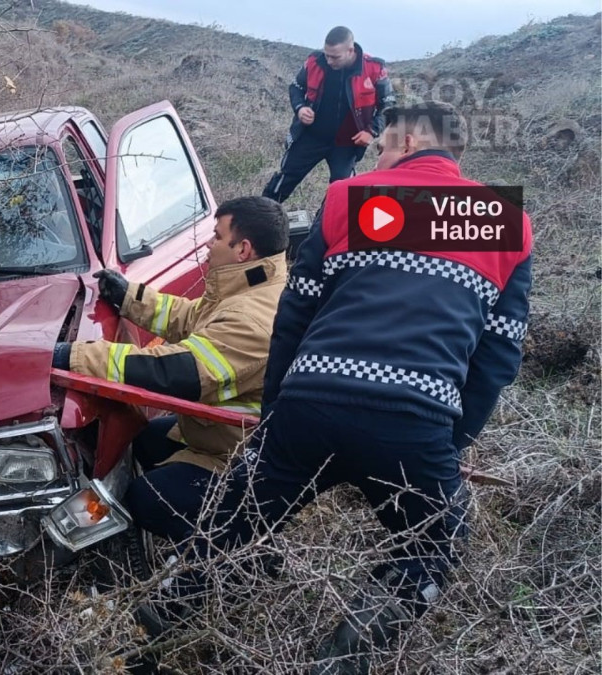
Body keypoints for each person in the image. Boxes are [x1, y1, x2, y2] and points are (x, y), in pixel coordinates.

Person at [180, 102, 531, 674]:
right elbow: (500, 352)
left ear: (412, 143)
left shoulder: (351, 196)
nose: (378, 157)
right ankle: (342, 664)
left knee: (229, 527)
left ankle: (153, 631)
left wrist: (277, 414)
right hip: (416, 424)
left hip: (309, 402)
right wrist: (453, 438)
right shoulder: (502, 218)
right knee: (434, 546)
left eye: (385, 146)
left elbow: (295, 311)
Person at [50, 196, 289, 542]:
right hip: (221, 436)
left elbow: (177, 373)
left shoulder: (252, 319)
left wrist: (73, 356)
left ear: (243, 249)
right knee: (145, 439)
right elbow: (191, 318)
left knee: (149, 499)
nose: (208, 244)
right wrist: (129, 296)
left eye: (218, 236)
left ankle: (225, 554)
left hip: (242, 458)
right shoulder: (252, 285)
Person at [262, 26, 394, 204]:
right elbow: (296, 87)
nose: (330, 61)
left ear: (350, 50)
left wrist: (371, 131)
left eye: (335, 57)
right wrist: (300, 107)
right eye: (327, 55)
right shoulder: (315, 61)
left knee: (341, 190)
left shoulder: (374, 68)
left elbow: (388, 105)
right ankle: (259, 217)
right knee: (285, 178)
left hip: (348, 143)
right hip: (310, 136)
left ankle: (324, 227)